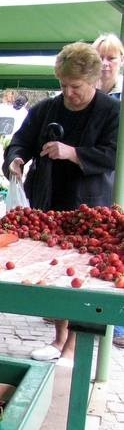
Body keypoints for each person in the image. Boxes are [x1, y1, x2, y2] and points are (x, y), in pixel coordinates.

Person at [3, 42, 119, 361]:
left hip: (92, 207)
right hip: (49, 201)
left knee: (85, 276)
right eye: (63, 85)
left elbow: (114, 154)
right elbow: (20, 141)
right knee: (55, 272)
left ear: (94, 80)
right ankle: (60, 337)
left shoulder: (112, 112)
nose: (68, 93)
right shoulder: (47, 109)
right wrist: (16, 160)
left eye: (76, 87)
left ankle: (74, 346)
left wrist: (74, 152)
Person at [92, 33, 124, 349]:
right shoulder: (85, 97)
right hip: (94, 192)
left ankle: (116, 326)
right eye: (99, 58)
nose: (105, 64)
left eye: (111, 58)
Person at [92, 33, 123, 100]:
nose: (104, 63)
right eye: (100, 58)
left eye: (111, 58)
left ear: (122, 60)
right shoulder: (82, 89)